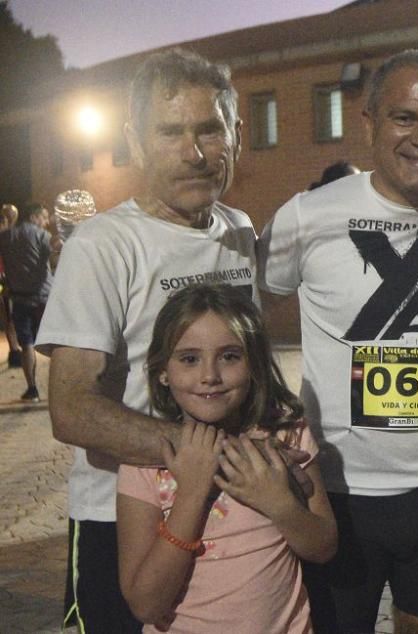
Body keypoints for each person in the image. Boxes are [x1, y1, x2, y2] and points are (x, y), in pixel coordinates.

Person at [257, 49, 418, 633]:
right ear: (368, 123)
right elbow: (242, 319)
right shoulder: (307, 216)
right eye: (405, 117)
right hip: (336, 492)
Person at [35, 48, 258, 633]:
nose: (194, 152)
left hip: (226, 507)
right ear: (136, 141)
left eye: (209, 130)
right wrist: (202, 454)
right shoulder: (103, 245)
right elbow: (71, 409)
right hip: (118, 515)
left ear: (235, 134)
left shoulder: (237, 230)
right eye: (171, 132)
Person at [116, 284, 336, 632]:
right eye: (189, 358)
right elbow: (145, 603)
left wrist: (279, 503)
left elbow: (323, 547)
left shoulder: (286, 436)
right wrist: (190, 493)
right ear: (162, 370)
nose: (210, 376)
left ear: (254, 364)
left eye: (229, 356)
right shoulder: (147, 462)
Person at [0, 203, 54, 400]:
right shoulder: (43, 236)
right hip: (44, 298)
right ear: (34, 217)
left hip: (20, 298)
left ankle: (32, 389)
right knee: (55, 345)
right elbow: (55, 258)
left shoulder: (5, 237)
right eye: (44, 217)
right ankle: (59, 388)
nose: (47, 222)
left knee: (27, 344)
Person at [0, 203, 22, 368]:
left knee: (9, 314)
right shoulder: (8, 236)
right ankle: (14, 351)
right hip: (3, 280)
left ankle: (15, 350)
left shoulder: (13, 235)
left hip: (7, 279)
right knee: (8, 313)